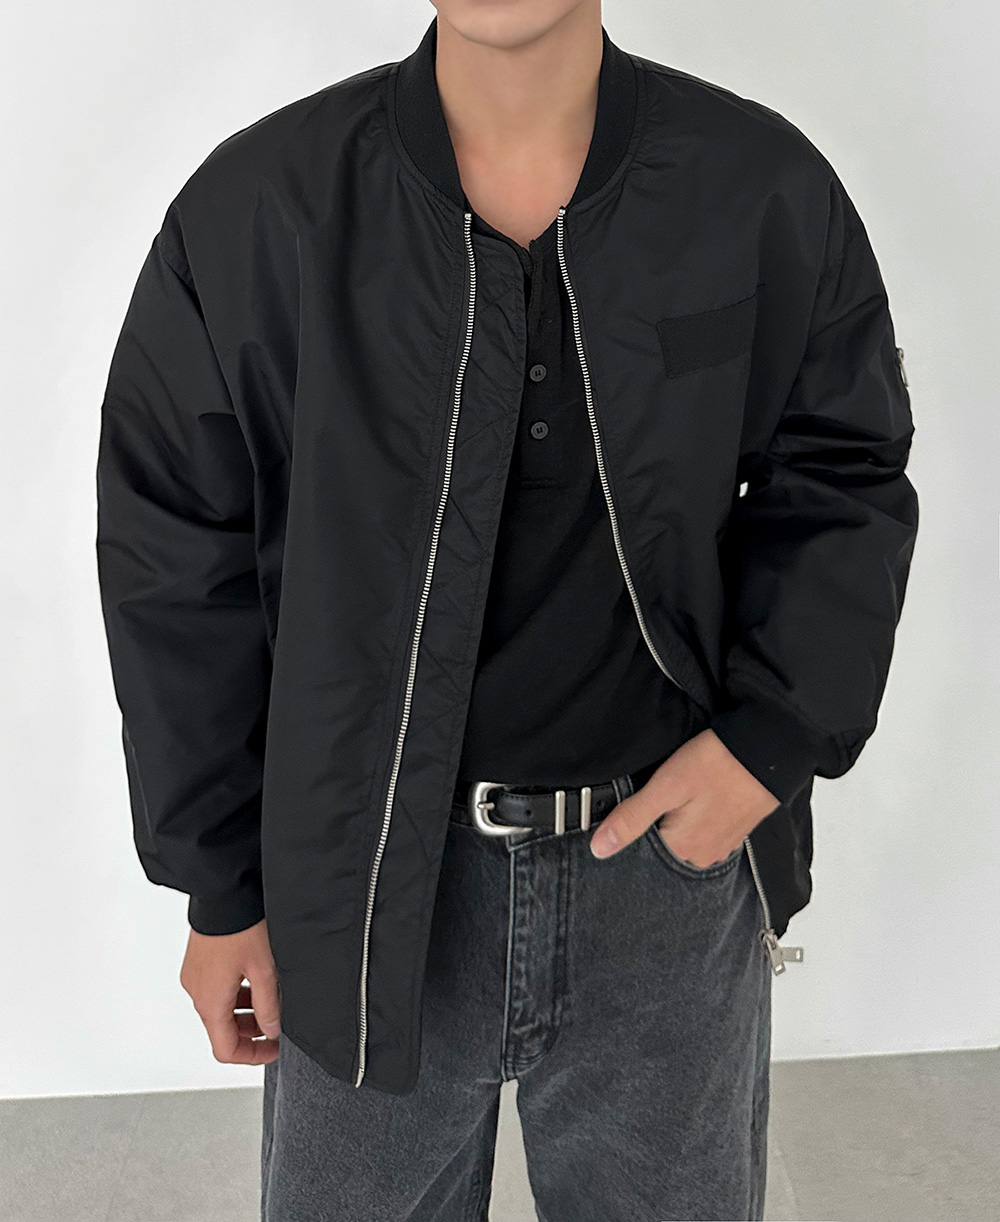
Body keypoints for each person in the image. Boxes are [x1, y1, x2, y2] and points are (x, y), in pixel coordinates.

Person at [94, 1, 919, 1218]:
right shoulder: (260, 209)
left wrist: (771, 740)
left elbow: (842, 470)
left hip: (664, 873)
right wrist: (221, 888)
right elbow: (175, 559)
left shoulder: (757, 186)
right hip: (359, 883)